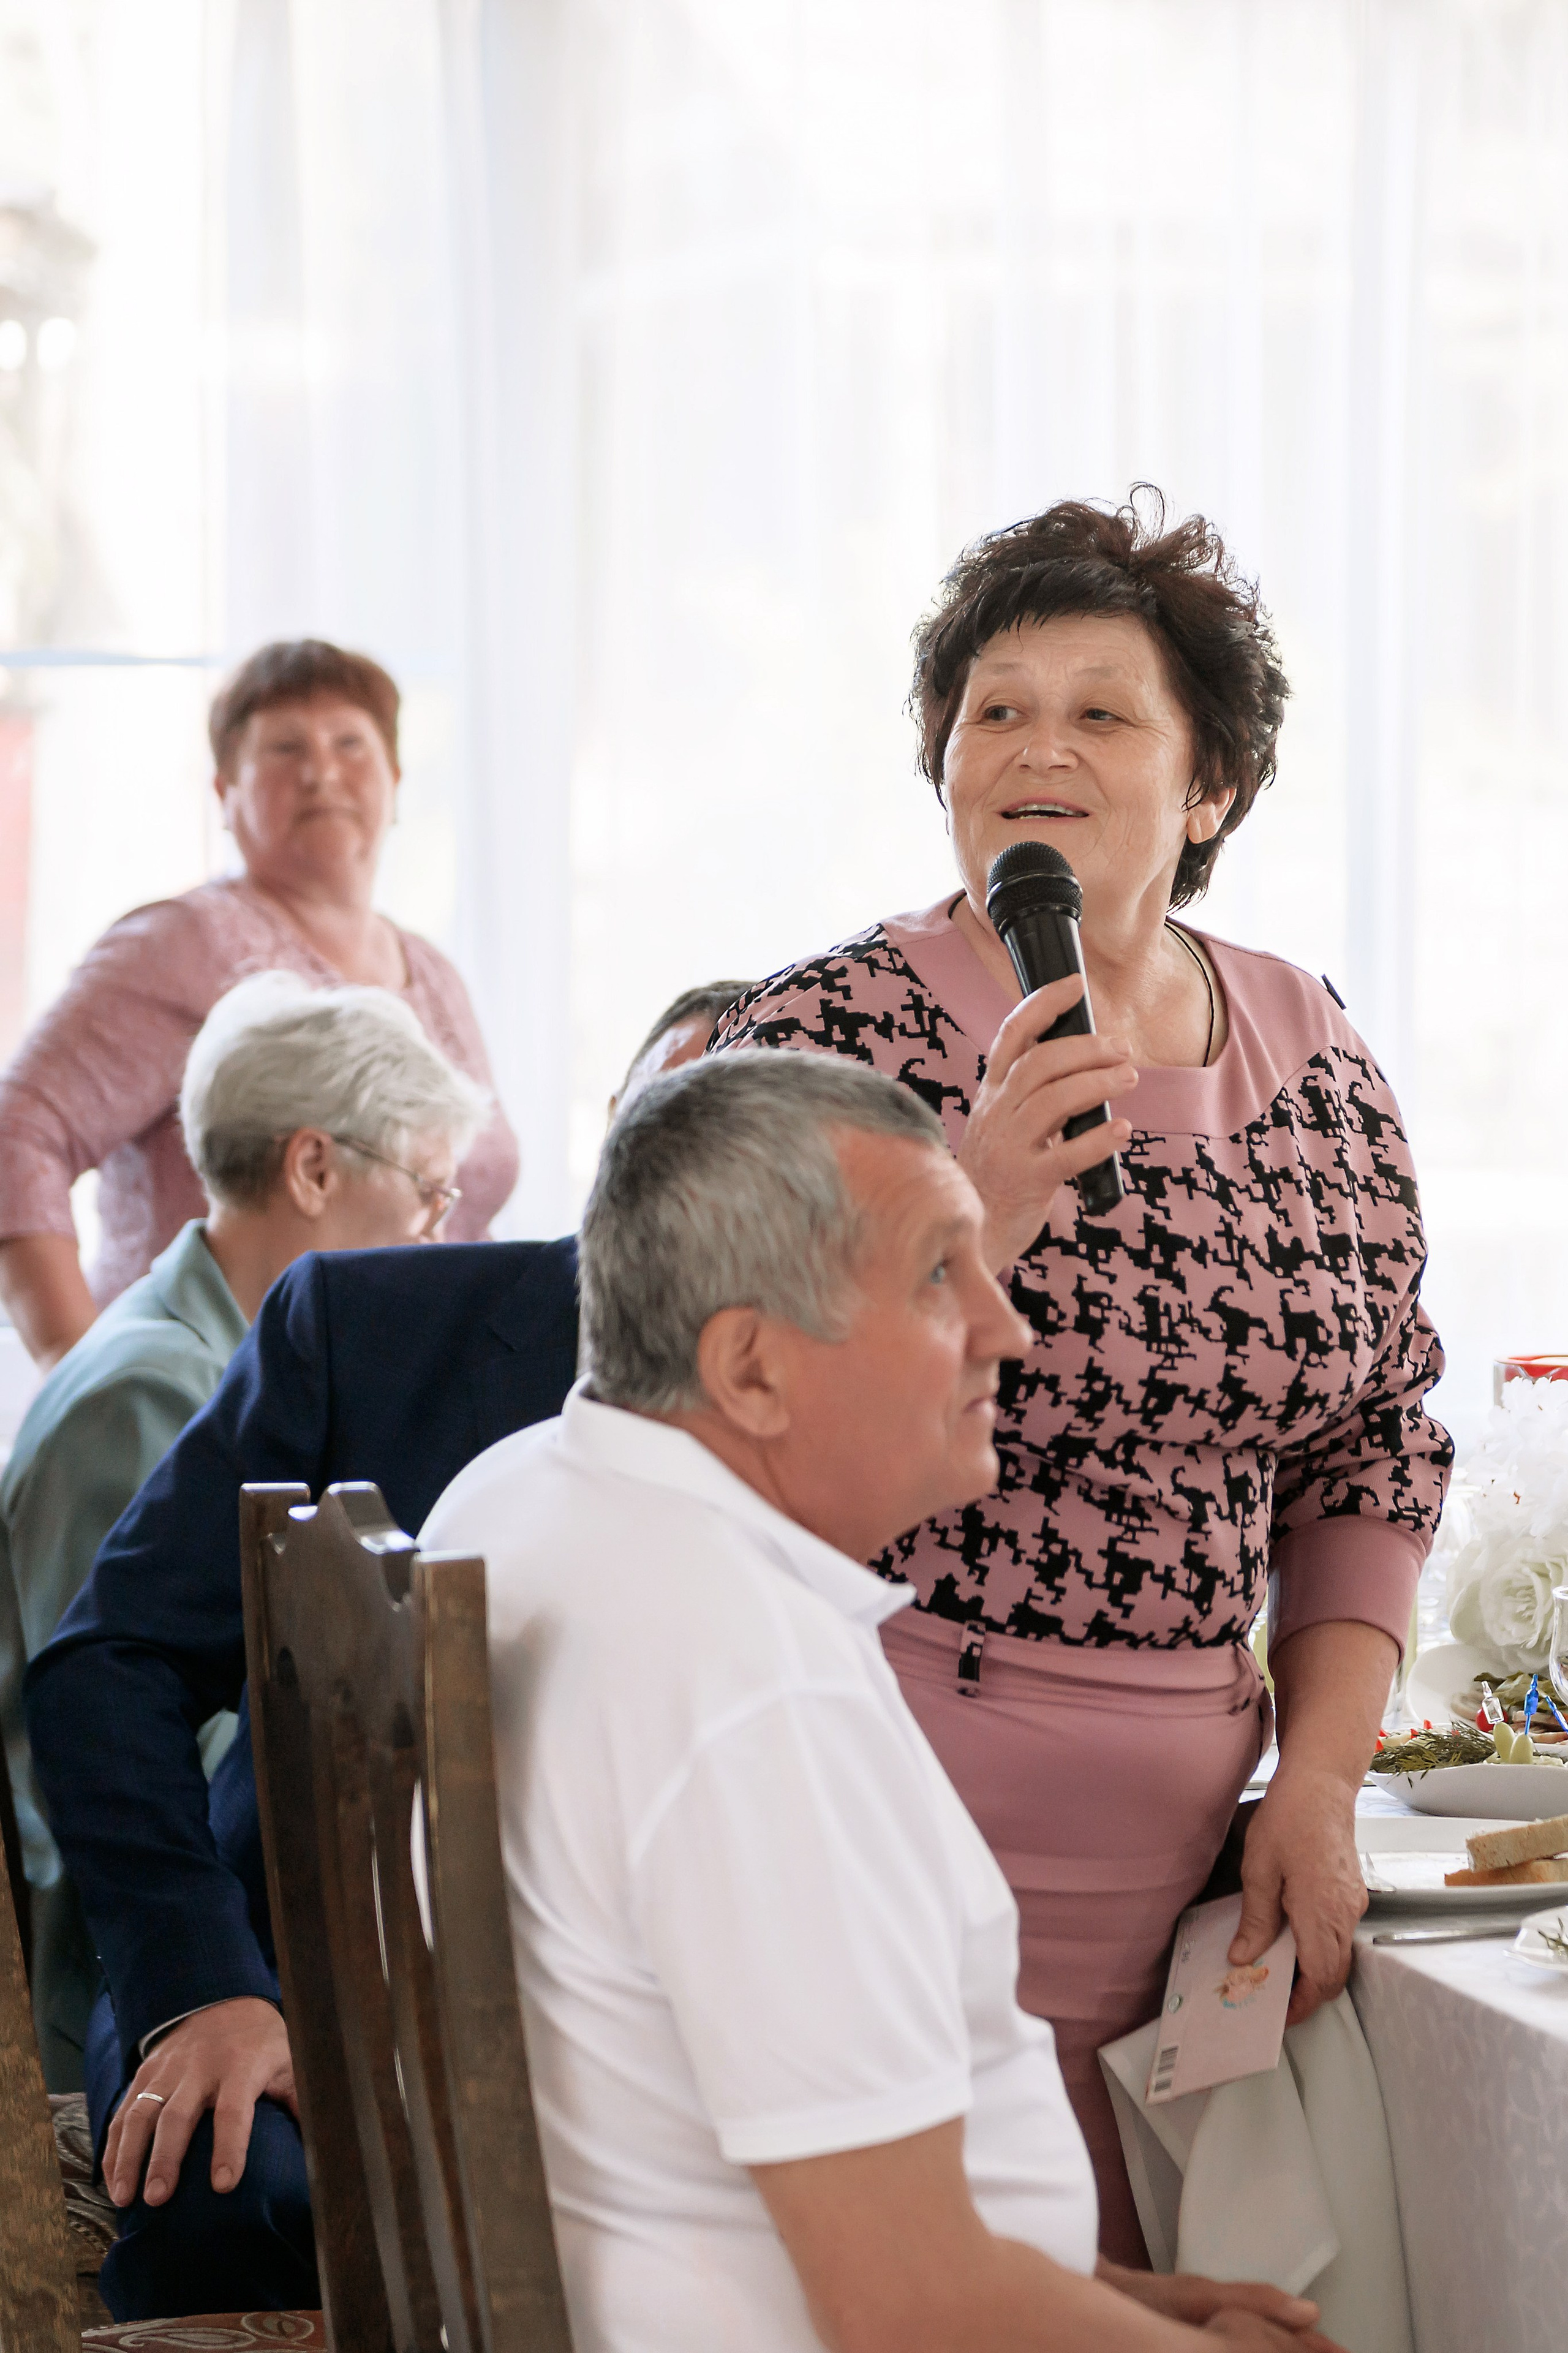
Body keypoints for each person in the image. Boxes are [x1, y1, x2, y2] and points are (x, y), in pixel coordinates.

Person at [712, 492, 1452, 2259]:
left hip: (1206, 1870)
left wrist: (1326, 1785)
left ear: (1210, 795)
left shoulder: (1316, 1046)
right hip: (879, 1830)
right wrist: (977, 1214)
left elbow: (1369, 1447)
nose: (1035, 747)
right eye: (996, 710)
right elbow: (716, 1429)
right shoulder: (822, 1039)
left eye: (1102, 713)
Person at [412, 1051, 1337, 2353]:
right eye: (936, 1278)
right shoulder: (744, 1680)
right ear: (749, 1370)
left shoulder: (516, 1491)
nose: (1005, 1325)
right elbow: (908, 2310)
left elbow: (727, 2162)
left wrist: (1116, 2302)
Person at [23, 976, 725, 2317]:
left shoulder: (881, 1424)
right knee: (237, 2181)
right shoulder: (362, 1327)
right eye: (675, 1124)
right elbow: (106, 1665)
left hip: (640, 2028)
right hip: (290, 1973)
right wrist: (201, 1987)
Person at [0, 969, 486, 2101]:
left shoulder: (223, 1365)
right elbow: (126, 1755)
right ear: (314, 1167)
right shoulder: (150, 1389)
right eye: (431, 1193)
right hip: (143, 1982)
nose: (436, 1240)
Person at [0, 638, 519, 1370]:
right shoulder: (184, 944)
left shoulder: (434, 973)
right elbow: (18, 1128)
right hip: (213, 1404)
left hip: (397, 1411)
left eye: (350, 742)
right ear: (224, 791)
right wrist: (75, 1360)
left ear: (396, 781)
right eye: (283, 748)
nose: (321, 772)